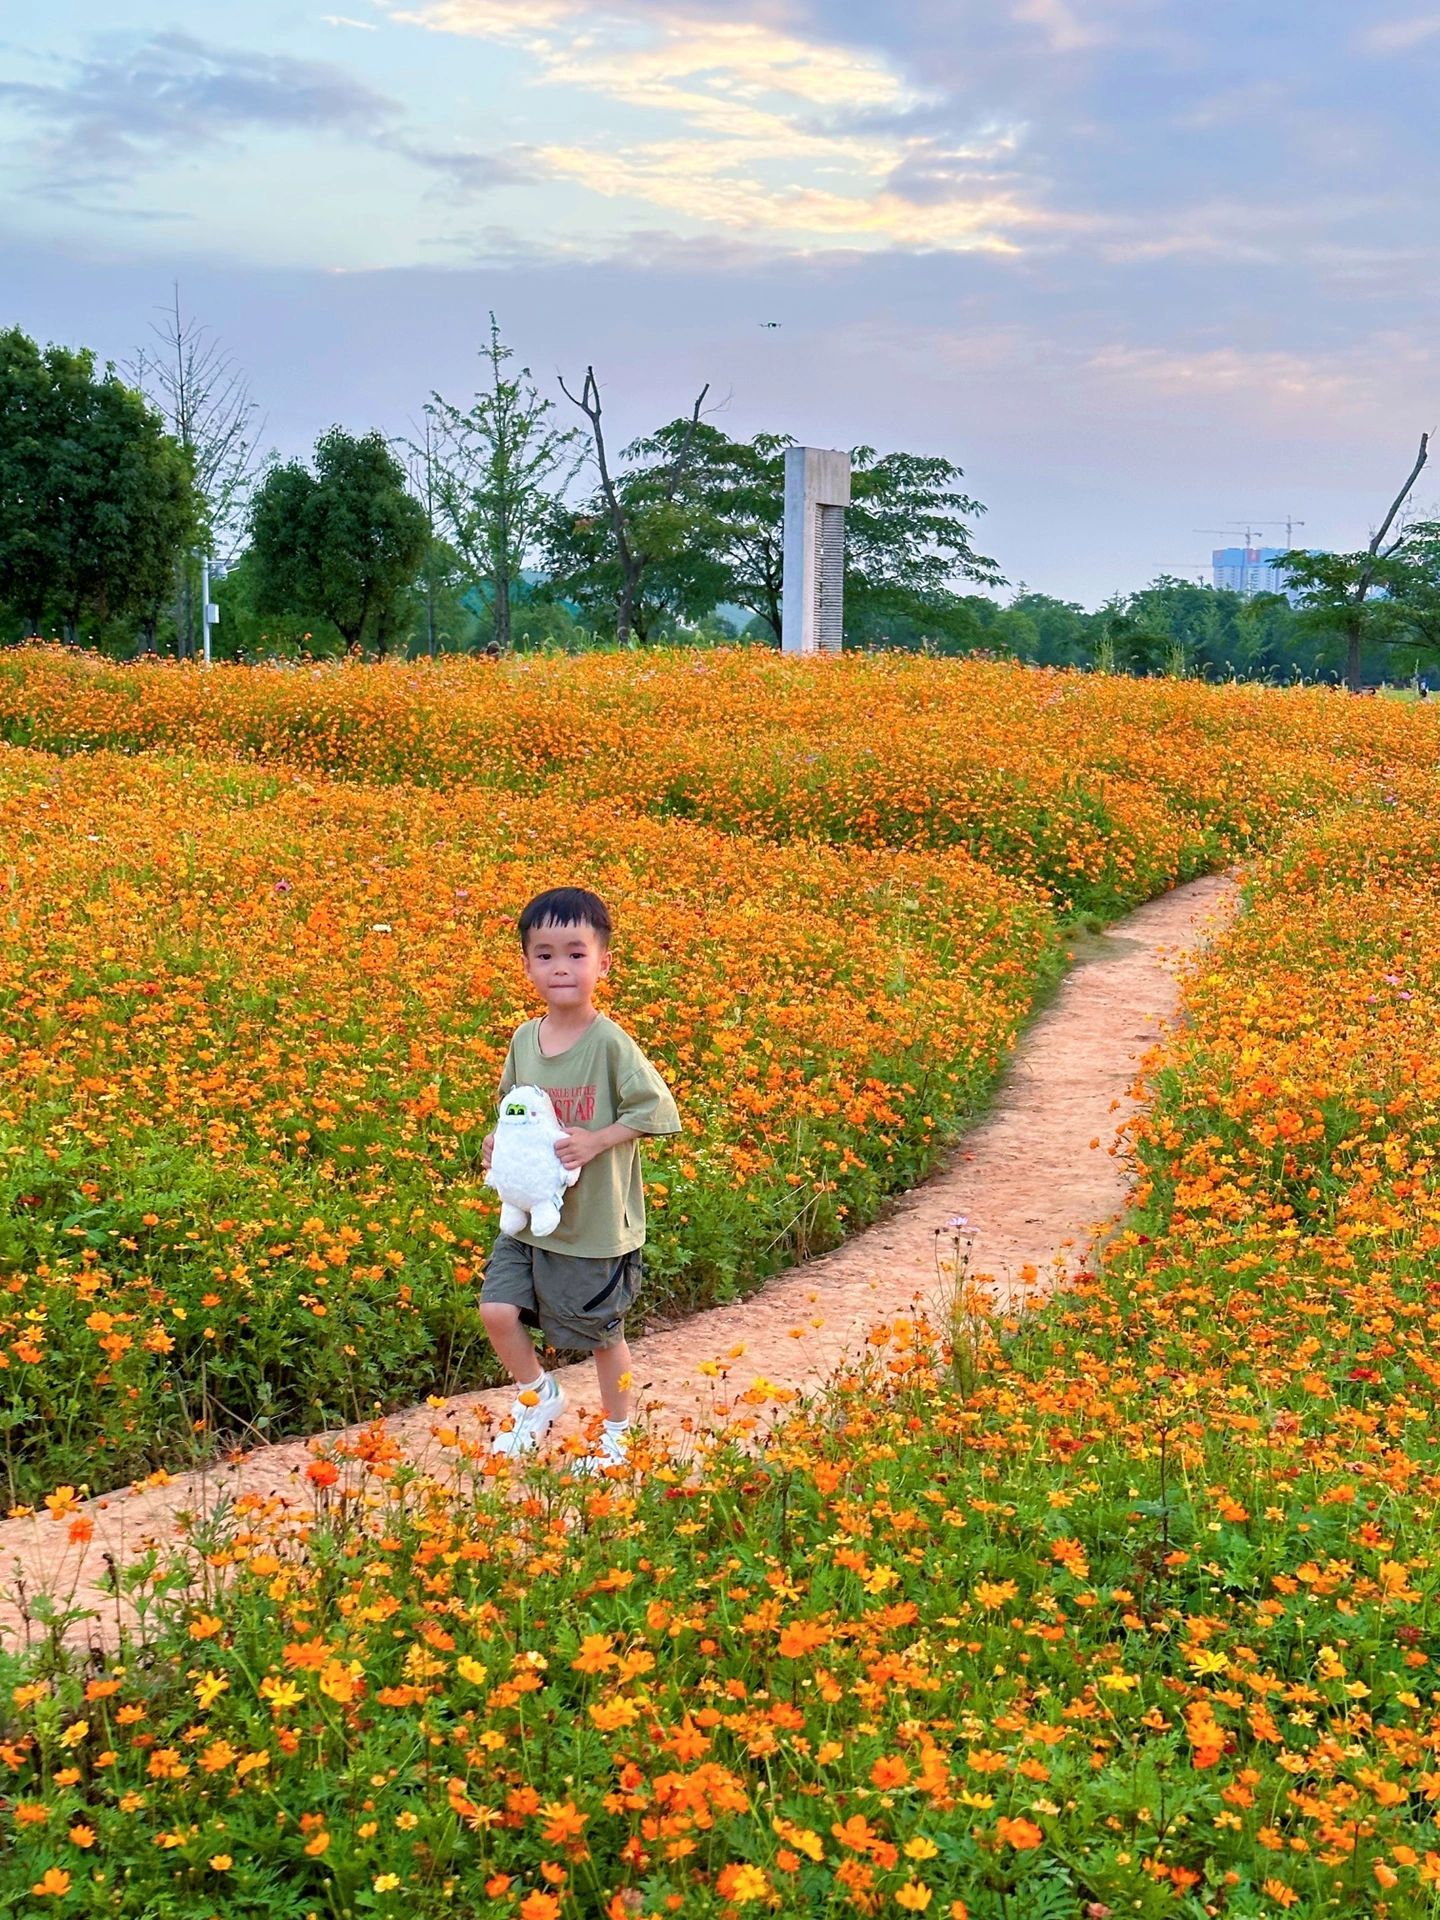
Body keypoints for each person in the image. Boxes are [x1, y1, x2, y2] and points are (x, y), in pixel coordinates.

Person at [480, 888, 680, 1472]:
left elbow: (657, 1110)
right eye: (544, 955)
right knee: (497, 1311)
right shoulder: (524, 1039)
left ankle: (618, 1436)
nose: (560, 967)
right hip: (528, 1214)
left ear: (603, 963)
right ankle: (541, 1398)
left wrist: (595, 1140)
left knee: (599, 1337)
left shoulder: (610, 1042)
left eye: (575, 953)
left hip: (592, 1222)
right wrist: (495, 1144)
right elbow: (510, 1108)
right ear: (526, 965)